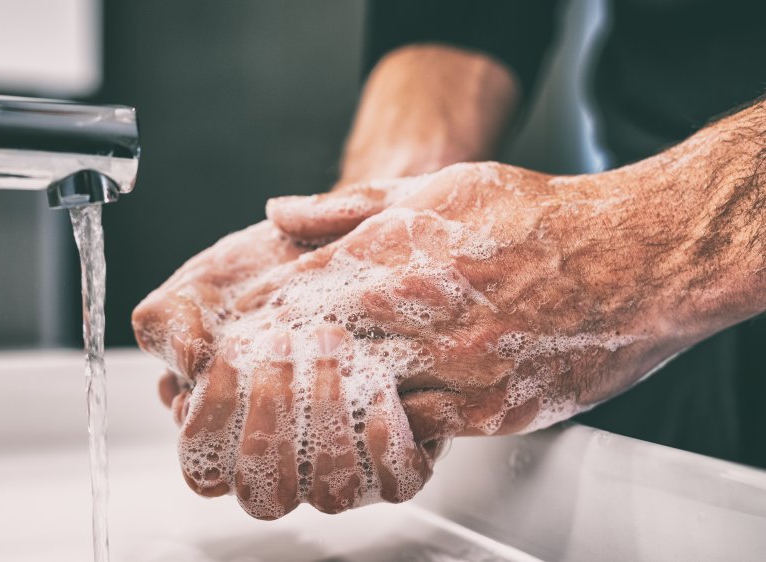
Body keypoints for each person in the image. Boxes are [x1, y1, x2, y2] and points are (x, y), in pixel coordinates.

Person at [131, 0, 766, 520]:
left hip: (661, 291)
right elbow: (455, 16)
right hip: (670, 378)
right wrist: (364, 248)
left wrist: (634, 252)